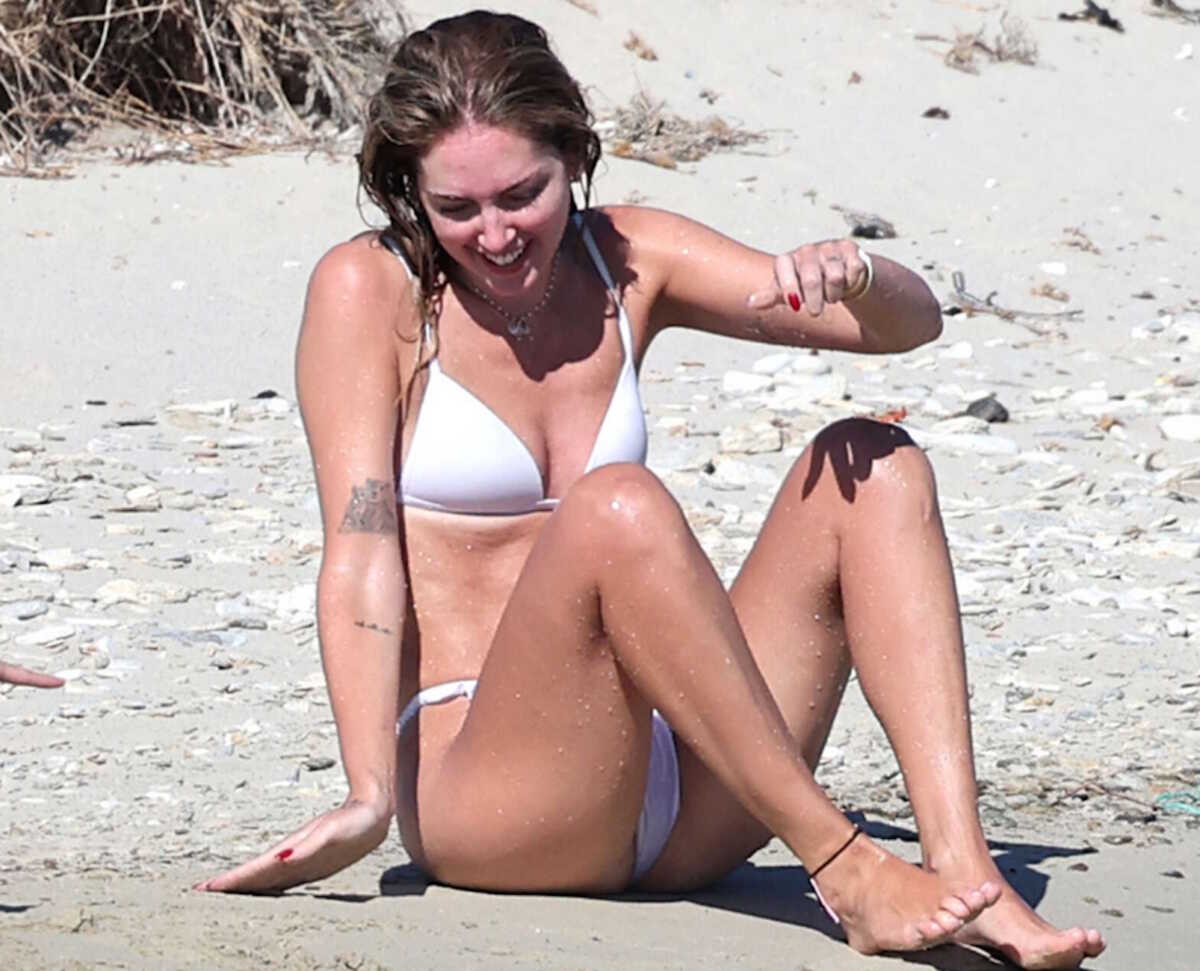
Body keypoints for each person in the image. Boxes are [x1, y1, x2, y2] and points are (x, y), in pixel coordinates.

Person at [196, 10, 1105, 967]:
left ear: (572, 156)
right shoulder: (370, 290)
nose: (495, 235)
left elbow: (907, 329)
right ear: (410, 191)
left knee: (877, 462)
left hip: (683, 796)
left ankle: (968, 874)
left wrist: (859, 272)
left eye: (523, 194)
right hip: (497, 802)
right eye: (457, 208)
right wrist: (368, 792)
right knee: (616, 508)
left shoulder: (626, 257)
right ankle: (845, 866)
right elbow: (361, 548)